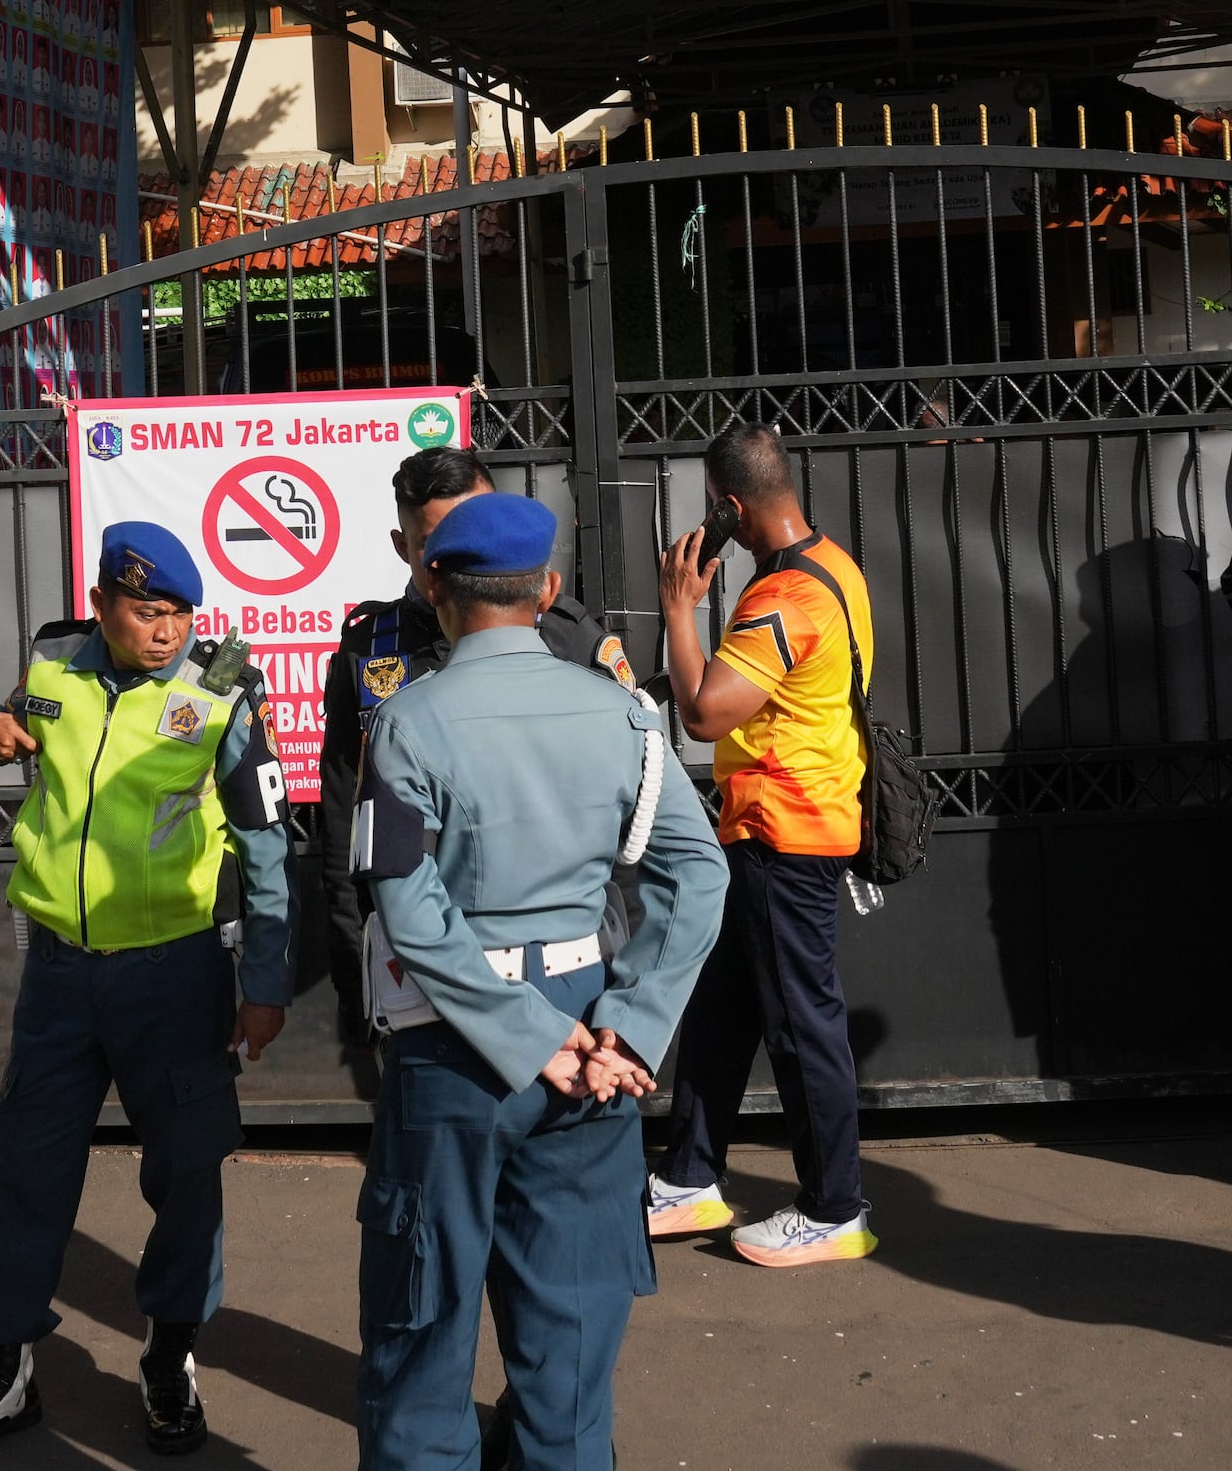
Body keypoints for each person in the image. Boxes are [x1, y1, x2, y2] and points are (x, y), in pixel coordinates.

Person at [351, 493, 728, 1471]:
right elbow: (699, 873)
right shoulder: (626, 716)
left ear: (435, 585)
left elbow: (405, 904)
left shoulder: (405, 723)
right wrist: (630, 1025)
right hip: (592, 1033)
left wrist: (524, 1033)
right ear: (549, 589)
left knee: (422, 1331)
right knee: (570, 1338)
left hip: (451, 1039)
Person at [0, 523, 292, 1466]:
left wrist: (266, 979)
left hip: (176, 974)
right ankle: (5, 1369)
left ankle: (170, 1358)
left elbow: (265, 840)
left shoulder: (222, 690)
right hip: (60, 976)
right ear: (102, 604)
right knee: (26, 1170)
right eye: (148, 612)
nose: (167, 632)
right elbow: (3, 728)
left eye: (180, 615)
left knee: (186, 1175)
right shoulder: (53, 665)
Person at [644, 422, 880, 1266]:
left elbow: (706, 713)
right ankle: (688, 1178)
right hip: (772, 825)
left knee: (800, 1024)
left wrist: (679, 608)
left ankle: (834, 1208)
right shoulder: (835, 566)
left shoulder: (783, 598)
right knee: (723, 1008)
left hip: (786, 831)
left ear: (730, 508)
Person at [321, 447, 632, 1050]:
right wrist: (350, 960)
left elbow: (634, 817)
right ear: (402, 546)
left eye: (474, 528)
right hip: (423, 979)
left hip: (565, 961)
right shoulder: (369, 649)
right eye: (433, 544)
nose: (458, 557)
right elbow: (344, 824)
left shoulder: (567, 637)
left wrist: (628, 979)